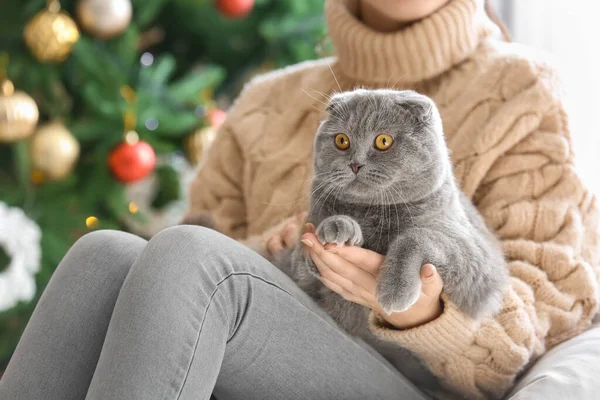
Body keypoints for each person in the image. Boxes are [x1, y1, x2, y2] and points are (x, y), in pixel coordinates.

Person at [1, 0, 599, 399]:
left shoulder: (522, 95)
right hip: (255, 352)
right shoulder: (268, 102)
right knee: (106, 253)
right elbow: (175, 278)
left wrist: (421, 312)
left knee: (190, 258)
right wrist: (275, 252)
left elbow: (552, 313)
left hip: (410, 381)